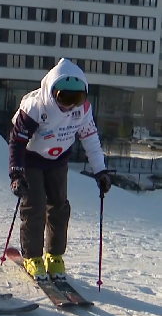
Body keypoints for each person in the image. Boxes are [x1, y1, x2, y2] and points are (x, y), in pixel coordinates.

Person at [8, 58, 111, 280]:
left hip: (58, 160)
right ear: (53, 92)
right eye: (64, 98)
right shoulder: (35, 107)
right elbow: (17, 142)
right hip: (32, 159)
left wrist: (100, 171)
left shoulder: (83, 110)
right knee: (34, 206)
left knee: (59, 207)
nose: (70, 105)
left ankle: (54, 255)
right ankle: (32, 256)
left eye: (77, 98)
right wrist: (16, 174)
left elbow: (90, 139)